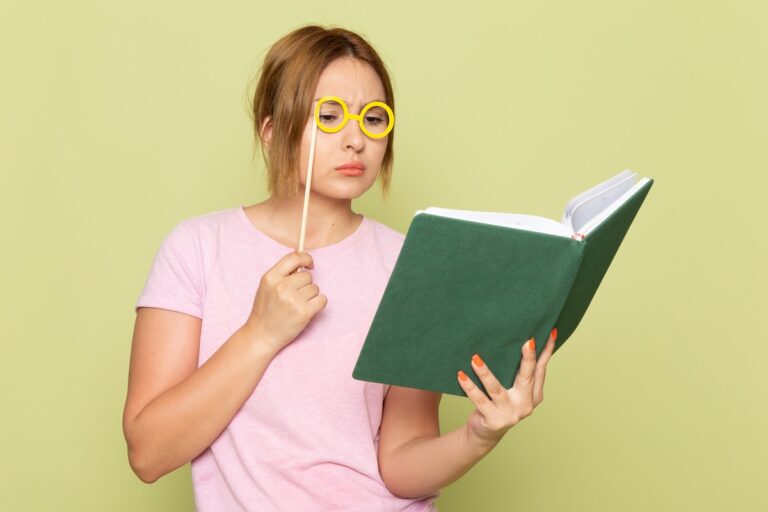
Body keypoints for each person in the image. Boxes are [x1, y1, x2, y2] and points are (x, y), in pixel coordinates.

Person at [122, 24, 558, 511]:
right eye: (330, 116)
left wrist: (479, 434)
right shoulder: (197, 249)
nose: (356, 140)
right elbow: (148, 452)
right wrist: (260, 334)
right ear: (271, 133)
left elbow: (400, 465)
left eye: (374, 119)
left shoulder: (410, 266)